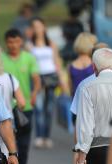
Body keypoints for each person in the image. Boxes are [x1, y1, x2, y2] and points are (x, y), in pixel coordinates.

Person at [1, 29, 41, 164]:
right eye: (10, 42)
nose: (13, 45)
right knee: (9, 143)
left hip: (25, 108)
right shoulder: (2, 59)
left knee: (23, 143)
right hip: (6, 109)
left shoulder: (29, 58)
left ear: (21, 42)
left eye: (16, 42)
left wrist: (34, 93)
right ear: (6, 43)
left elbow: (36, 79)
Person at [29, 17, 69, 149]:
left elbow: (57, 62)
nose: (37, 29)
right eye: (34, 27)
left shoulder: (51, 43)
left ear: (44, 27)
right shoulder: (30, 45)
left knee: (49, 108)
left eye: (39, 26)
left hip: (51, 76)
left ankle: (47, 136)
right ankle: (39, 136)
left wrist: (62, 80)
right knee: (39, 108)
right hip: (37, 77)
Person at [68, 32, 97, 97]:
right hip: (92, 100)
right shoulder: (94, 63)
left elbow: (70, 89)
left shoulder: (71, 66)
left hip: (77, 100)